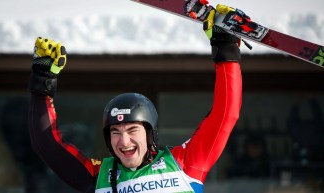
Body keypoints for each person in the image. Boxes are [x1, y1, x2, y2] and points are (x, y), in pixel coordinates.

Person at [28, 5, 242, 193]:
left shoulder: (184, 164)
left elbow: (225, 115)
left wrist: (226, 52)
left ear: (150, 134)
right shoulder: (99, 177)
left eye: (132, 130)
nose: (124, 141)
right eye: (115, 132)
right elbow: (47, 144)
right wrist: (43, 81)